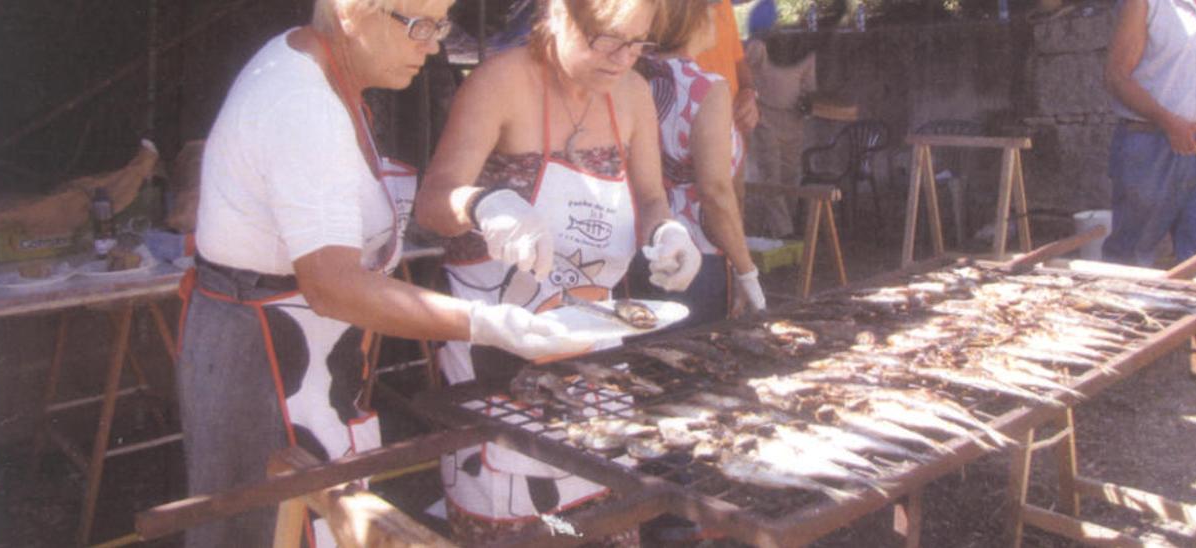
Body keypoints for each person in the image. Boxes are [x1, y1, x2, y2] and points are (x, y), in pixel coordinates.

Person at [179, 0, 592, 545]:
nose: (435, 44)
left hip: (305, 357)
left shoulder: (324, 75)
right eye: (420, 25)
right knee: (273, 531)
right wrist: (490, 323)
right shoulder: (302, 103)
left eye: (441, 23)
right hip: (266, 365)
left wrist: (480, 203)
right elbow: (332, 285)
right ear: (355, 12)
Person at [414, 0, 701, 541]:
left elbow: (649, 199)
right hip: (495, 354)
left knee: (602, 514)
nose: (623, 58)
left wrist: (667, 233)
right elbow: (432, 201)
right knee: (515, 523)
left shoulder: (635, 94)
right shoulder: (499, 82)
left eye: (639, 42)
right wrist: (483, 205)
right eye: (608, 39)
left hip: (596, 353)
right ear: (558, 13)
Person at [1103, 0, 1196, 383]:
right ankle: (1117, 357)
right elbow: (1118, 76)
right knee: (1134, 253)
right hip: (1149, 141)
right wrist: (1169, 121)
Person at [632, 0, 767, 325]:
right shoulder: (706, 87)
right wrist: (746, 272)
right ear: (691, 19)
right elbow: (715, 192)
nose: (716, 20)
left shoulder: (631, 78)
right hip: (694, 255)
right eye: (711, 12)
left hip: (635, 247)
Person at [744, 31, 816, 238]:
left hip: (793, 122)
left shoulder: (807, 54)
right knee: (771, 177)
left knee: (790, 177)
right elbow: (741, 71)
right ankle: (785, 231)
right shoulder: (759, 48)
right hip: (765, 118)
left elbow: (808, 89)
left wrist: (807, 103)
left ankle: (781, 226)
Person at [695, 0, 759, 135]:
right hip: (696, 133)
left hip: (733, 130)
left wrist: (748, 91)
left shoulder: (724, 4)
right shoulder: (671, 9)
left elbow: (738, 59)